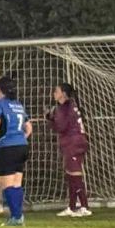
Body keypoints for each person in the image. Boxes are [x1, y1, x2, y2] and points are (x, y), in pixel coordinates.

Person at [0, 75, 33, 227]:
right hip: (22, 146)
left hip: (6, 147)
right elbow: (29, 128)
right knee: (16, 183)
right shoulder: (18, 104)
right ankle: (18, 215)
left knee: (6, 184)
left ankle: (16, 217)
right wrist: (20, 138)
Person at [46, 82, 91, 217]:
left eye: (56, 91)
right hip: (74, 142)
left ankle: (84, 207)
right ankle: (72, 207)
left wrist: (50, 118)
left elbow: (61, 127)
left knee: (75, 175)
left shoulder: (65, 108)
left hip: (73, 143)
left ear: (63, 94)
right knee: (71, 175)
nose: (54, 93)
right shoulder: (69, 106)